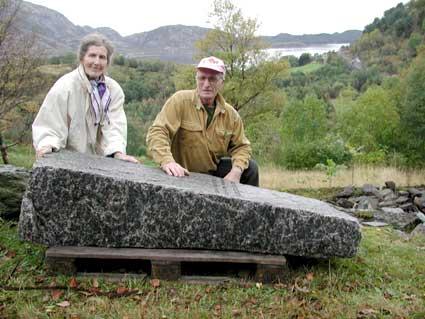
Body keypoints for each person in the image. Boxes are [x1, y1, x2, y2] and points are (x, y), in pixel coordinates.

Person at [146, 56, 258, 186]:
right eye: (202, 78)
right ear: (196, 79)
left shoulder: (231, 115)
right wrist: (167, 161)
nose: (206, 84)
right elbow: (157, 131)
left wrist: (236, 171)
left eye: (212, 79)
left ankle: (246, 205)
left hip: (212, 171)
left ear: (221, 82)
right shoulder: (180, 101)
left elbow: (242, 146)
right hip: (182, 172)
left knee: (251, 169)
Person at [32, 33, 138, 163]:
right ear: (82, 58)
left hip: (100, 162)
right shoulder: (65, 86)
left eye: (102, 57)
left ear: (107, 62)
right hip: (68, 160)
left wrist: (117, 151)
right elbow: (50, 123)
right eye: (92, 55)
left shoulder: (113, 90)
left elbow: (115, 126)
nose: (97, 62)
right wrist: (47, 144)